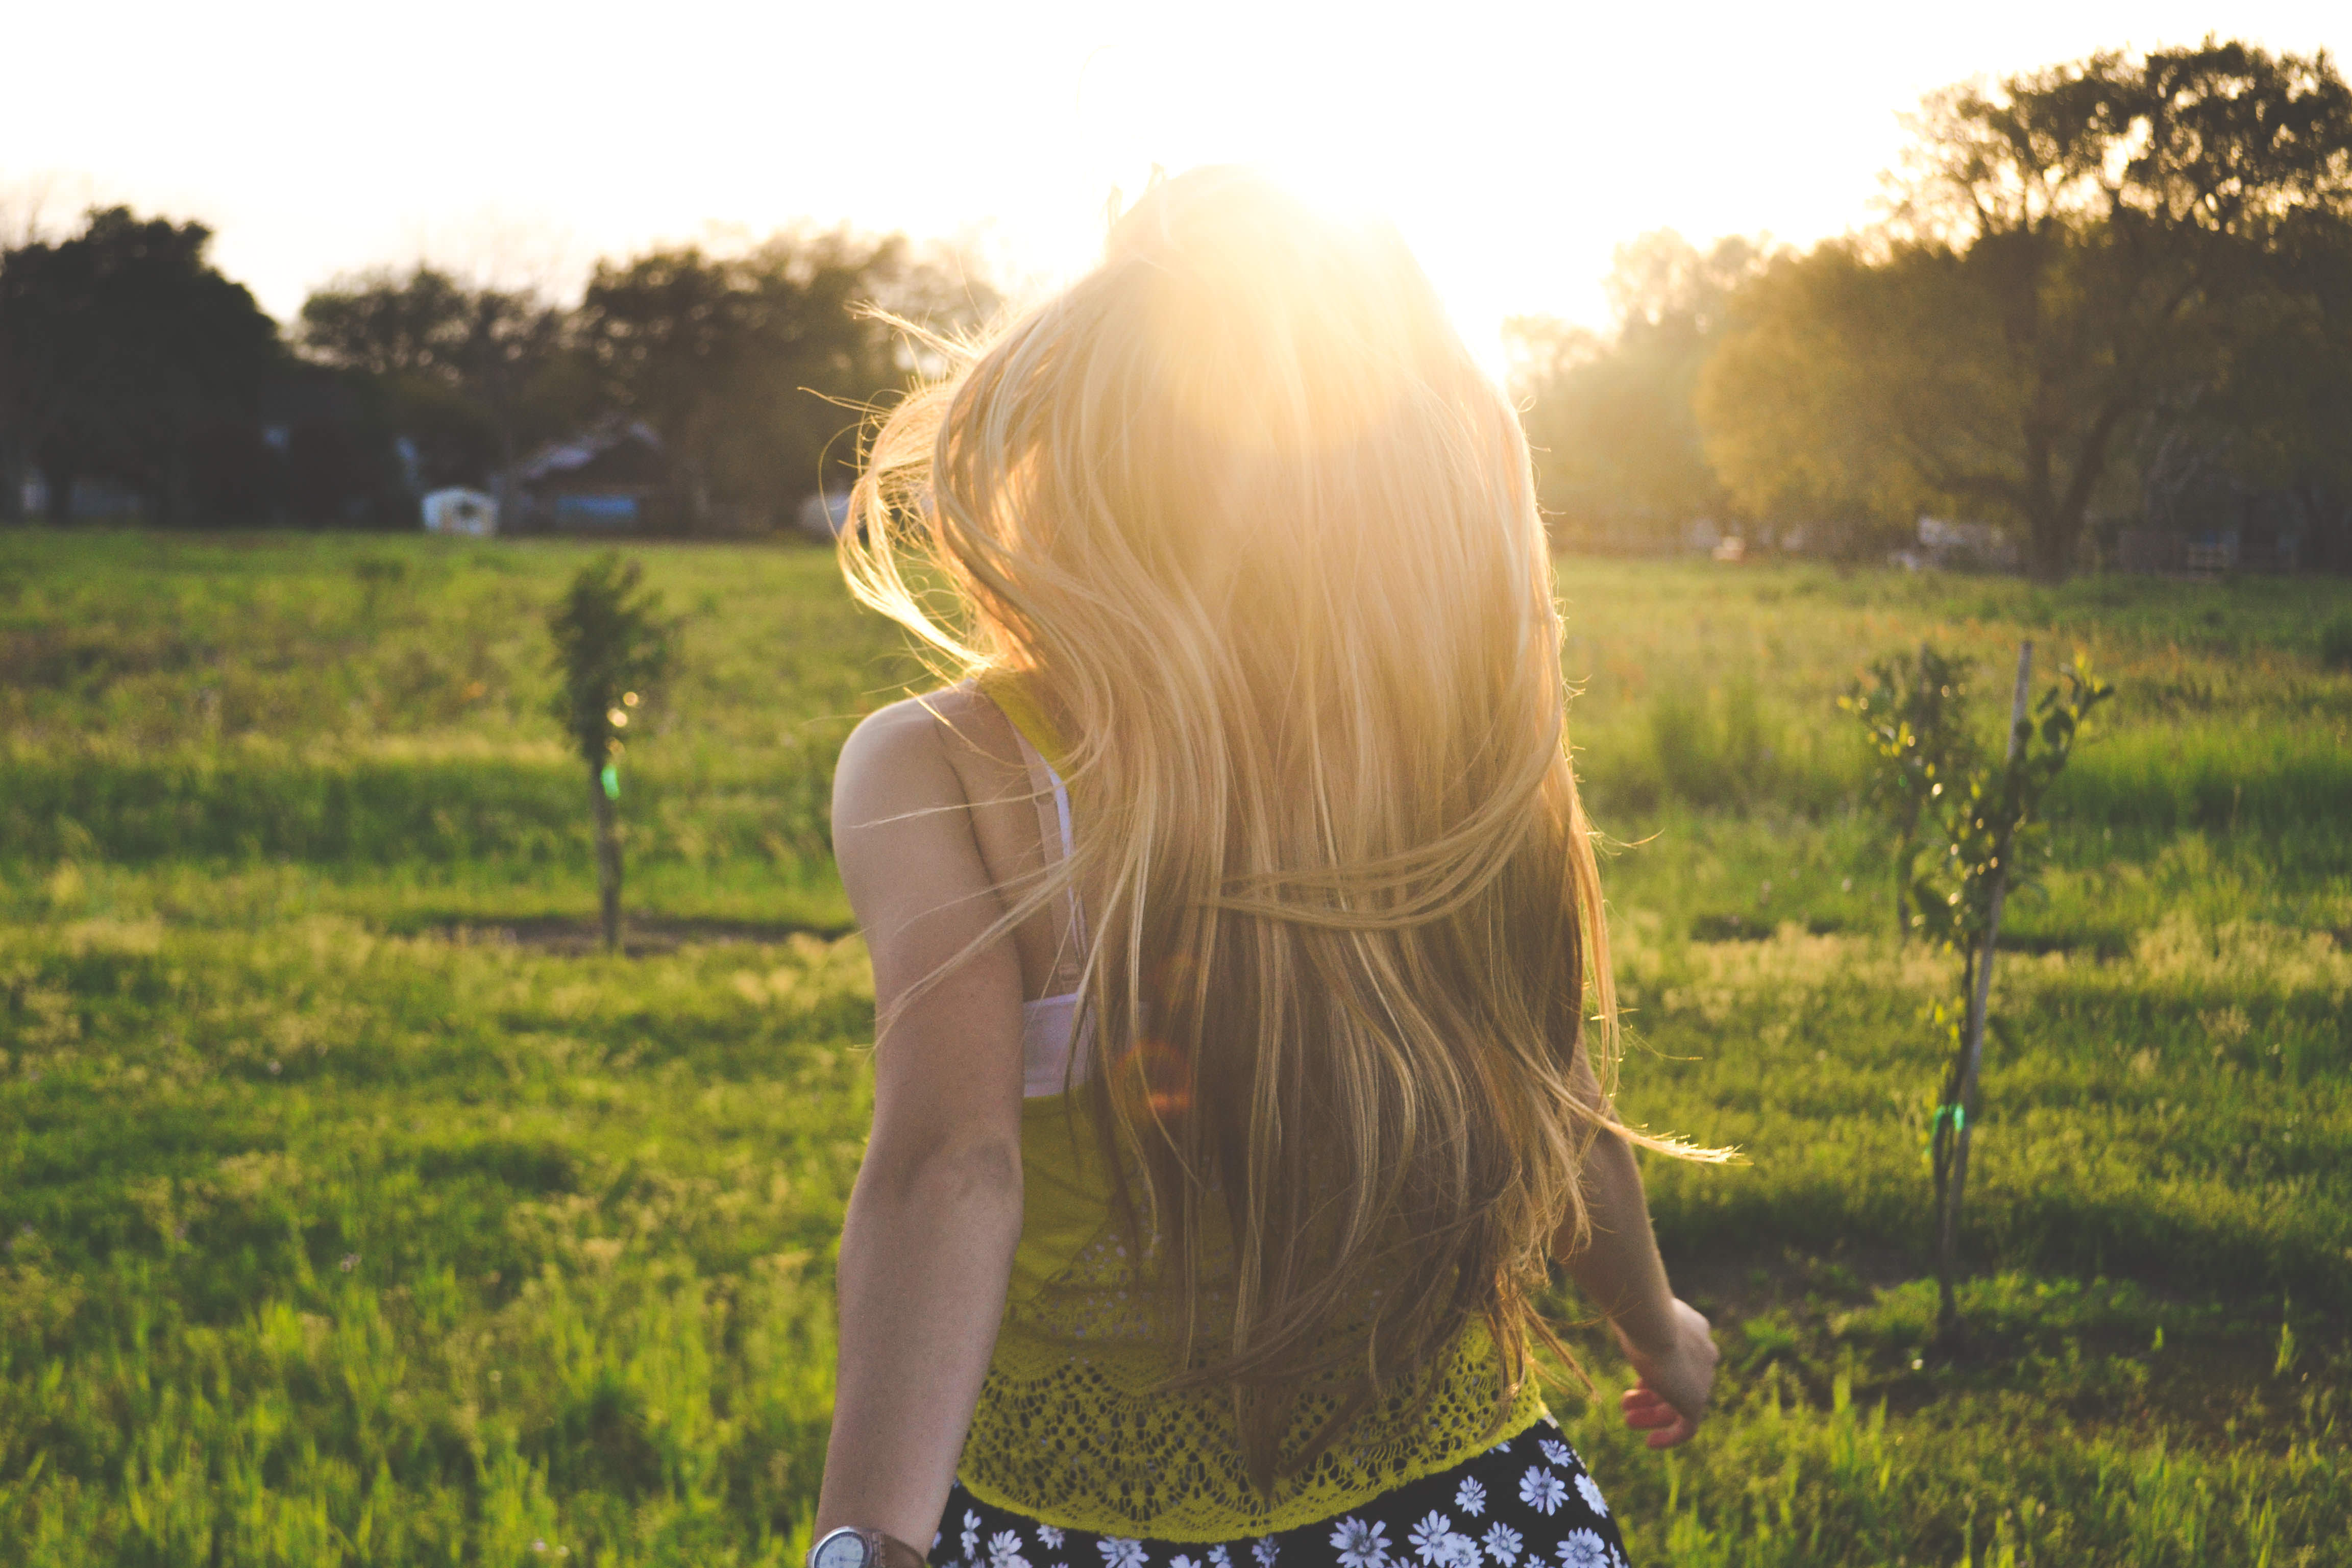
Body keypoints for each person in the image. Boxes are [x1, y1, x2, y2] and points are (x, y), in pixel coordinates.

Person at [814, 167, 1726, 1568]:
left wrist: (867, 1535)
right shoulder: (1451, 750)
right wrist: (1658, 1330)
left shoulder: (948, 763)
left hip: (1090, 1532)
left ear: (1076, 450)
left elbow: (954, 1166)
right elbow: (1551, 1085)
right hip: (1466, 1518)